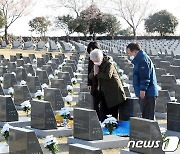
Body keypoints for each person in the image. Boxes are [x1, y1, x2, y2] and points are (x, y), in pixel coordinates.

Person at [89, 49, 126, 121]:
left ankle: (112, 129)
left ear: (101, 58)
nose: (95, 62)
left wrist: (97, 73)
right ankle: (105, 129)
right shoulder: (96, 65)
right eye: (94, 61)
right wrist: (94, 73)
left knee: (113, 115)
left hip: (114, 93)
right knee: (103, 113)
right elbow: (90, 76)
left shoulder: (109, 64)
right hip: (104, 93)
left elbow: (108, 76)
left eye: (96, 61)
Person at [127, 42, 158, 120]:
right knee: (145, 116)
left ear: (135, 51)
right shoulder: (140, 59)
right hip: (146, 92)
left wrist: (142, 90)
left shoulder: (143, 60)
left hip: (148, 93)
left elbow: (145, 77)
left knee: (148, 116)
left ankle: (151, 132)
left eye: (129, 52)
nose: (129, 55)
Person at [87, 41, 101, 120]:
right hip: (94, 83)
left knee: (101, 104)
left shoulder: (102, 57)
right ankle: (97, 119)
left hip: (101, 84)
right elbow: (89, 71)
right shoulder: (90, 58)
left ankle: (101, 119)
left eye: (91, 50)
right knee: (95, 103)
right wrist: (89, 83)